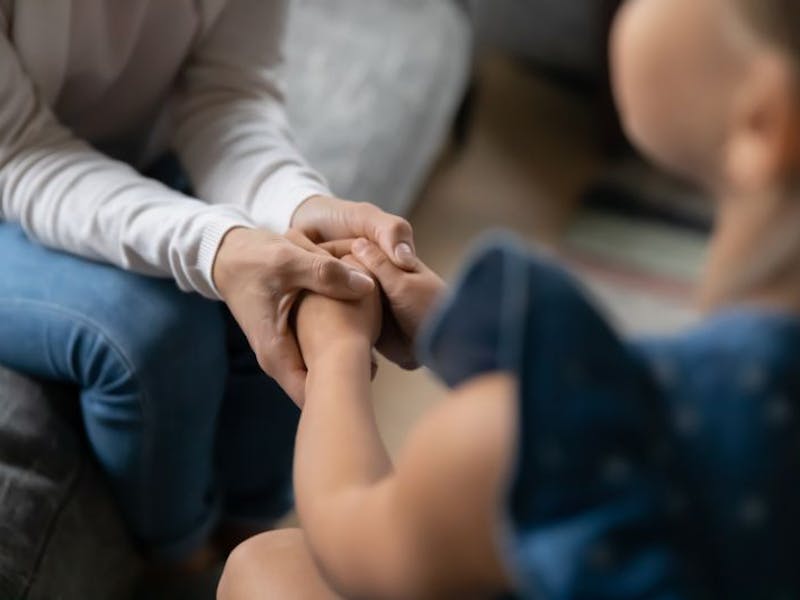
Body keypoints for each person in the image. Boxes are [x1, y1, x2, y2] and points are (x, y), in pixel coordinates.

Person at [218, 0, 800, 597]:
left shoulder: (544, 447)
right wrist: (449, 329)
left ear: (762, 122)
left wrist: (334, 353)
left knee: (263, 570)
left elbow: (350, 538)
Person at [0, 0, 419, 567]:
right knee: (156, 337)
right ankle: (185, 559)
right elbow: (20, 150)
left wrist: (297, 204)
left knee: (294, 283)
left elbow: (227, 96)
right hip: (15, 165)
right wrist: (220, 247)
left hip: (108, 161)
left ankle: (248, 529)